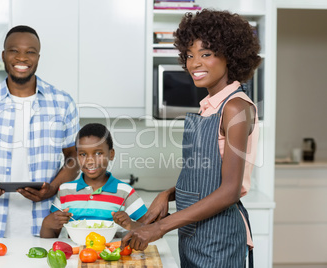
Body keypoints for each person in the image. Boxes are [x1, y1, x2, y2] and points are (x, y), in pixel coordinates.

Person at [121, 9, 261, 268]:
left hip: (219, 236)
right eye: (189, 55)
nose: (194, 63)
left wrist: (160, 227)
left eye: (206, 54)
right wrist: (168, 194)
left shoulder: (235, 108)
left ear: (229, 55)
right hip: (194, 233)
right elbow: (206, 177)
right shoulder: (210, 106)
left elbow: (229, 190)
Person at [0, 25, 80, 238]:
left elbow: (73, 158)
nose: (22, 58)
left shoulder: (62, 102)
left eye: (30, 52)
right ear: (4, 55)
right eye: (14, 51)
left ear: (38, 57)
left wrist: (53, 187)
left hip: (49, 223)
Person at [40, 123, 147, 238]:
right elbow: (50, 238)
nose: (90, 161)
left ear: (111, 154)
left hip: (112, 255)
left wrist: (131, 225)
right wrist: (47, 225)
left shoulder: (125, 192)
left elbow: (150, 229)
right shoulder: (65, 190)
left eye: (98, 153)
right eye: (83, 154)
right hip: (77, 255)